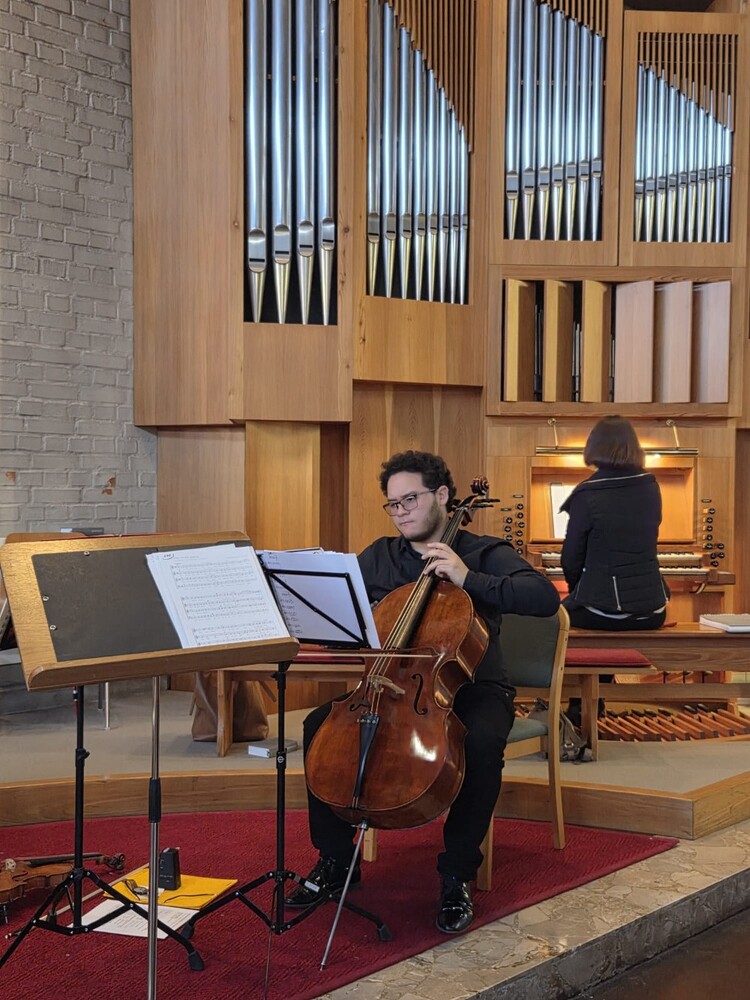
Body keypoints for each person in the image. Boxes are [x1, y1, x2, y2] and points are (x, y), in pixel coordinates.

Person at [286, 450, 560, 933]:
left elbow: (543, 598)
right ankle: (335, 861)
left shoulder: (484, 551)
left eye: (410, 499)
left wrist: (468, 578)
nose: (401, 512)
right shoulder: (380, 556)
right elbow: (343, 614)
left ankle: (457, 874)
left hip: (474, 687)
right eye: (393, 504)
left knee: (480, 742)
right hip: (388, 685)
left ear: (442, 495)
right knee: (317, 727)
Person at [559, 417, 669, 725]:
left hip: (608, 611)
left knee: (557, 618)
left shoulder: (588, 492)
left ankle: (579, 703)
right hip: (654, 609)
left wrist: (579, 589)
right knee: (597, 607)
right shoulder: (651, 485)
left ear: (593, 447)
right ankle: (595, 696)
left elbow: (571, 558)